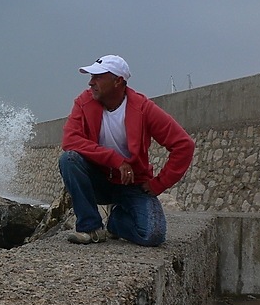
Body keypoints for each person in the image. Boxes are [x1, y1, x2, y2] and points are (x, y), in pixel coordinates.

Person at [58, 55, 194, 246]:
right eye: (91, 77)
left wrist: (158, 184)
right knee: (69, 159)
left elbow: (184, 145)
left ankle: (115, 222)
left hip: (133, 184)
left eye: (98, 77)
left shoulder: (143, 108)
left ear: (118, 81)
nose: (91, 82)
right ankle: (90, 228)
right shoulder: (83, 102)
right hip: (99, 181)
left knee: (153, 235)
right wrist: (115, 160)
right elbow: (70, 141)